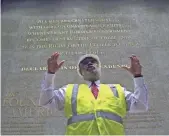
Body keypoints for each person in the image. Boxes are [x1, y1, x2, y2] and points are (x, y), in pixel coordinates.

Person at [39, 52, 148, 135]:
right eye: (84, 63)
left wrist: (137, 77)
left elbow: (141, 106)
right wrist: (50, 74)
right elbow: (46, 102)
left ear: (99, 68)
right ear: (81, 72)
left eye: (93, 61)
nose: (89, 63)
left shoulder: (117, 90)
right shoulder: (69, 90)